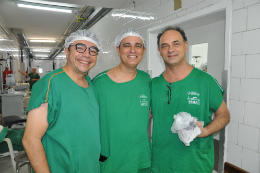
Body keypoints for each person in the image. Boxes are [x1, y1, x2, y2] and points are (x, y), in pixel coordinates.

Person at [150, 26, 230, 173]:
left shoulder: (205, 81)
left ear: (185, 46)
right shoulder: (153, 85)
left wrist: (206, 131)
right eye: (164, 46)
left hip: (195, 164)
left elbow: (224, 115)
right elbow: (142, 119)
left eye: (176, 43)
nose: (170, 49)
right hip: (161, 163)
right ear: (159, 51)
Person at [22, 29, 102, 173]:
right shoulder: (51, 83)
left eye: (92, 50)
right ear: (67, 51)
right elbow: (30, 139)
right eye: (80, 48)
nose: (86, 54)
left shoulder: (90, 84)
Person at [92, 28, 151, 173]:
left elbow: (148, 112)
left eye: (138, 46)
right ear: (118, 50)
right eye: (127, 45)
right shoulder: (100, 83)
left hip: (141, 159)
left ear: (143, 51)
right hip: (112, 161)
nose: (132, 50)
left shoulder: (147, 80)